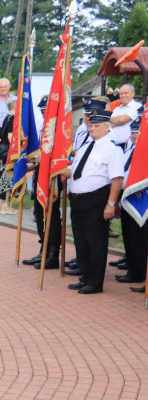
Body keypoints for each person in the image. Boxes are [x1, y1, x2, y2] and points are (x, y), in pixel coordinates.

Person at [59, 109, 125, 294]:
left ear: (107, 128)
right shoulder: (88, 145)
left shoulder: (112, 149)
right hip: (78, 200)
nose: (92, 129)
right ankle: (86, 277)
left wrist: (111, 204)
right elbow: (80, 169)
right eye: (90, 125)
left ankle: (95, 282)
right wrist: (67, 172)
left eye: (96, 126)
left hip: (96, 199)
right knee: (81, 241)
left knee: (95, 242)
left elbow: (117, 178)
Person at [21, 96, 62, 270]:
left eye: (47, 110)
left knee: (50, 214)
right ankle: (43, 250)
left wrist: (42, 161)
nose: (45, 113)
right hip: (40, 174)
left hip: (52, 175)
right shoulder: (43, 129)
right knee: (39, 213)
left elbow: (60, 156)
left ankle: (52, 254)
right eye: (43, 111)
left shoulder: (59, 131)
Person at [118, 117, 146, 289]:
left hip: (143, 198)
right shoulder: (129, 151)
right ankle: (134, 269)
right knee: (129, 236)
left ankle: (142, 273)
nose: (134, 135)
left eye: (138, 132)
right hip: (126, 196)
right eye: (133, 132)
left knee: (142, 239)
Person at [0, 99, 17, 214]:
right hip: (9, 151)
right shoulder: (12, 118)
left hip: (3, 151)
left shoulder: (6, 117)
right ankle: (4, 205)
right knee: (7, 176)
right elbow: (10, 136)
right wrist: (15, 150)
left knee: (3, 176)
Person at [110, 83, 141, 151]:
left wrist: (109, 118)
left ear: (133, 93)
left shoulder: (137, 107)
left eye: (126, 93)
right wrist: (118, 120)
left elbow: (122, 120)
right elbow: (110, 124)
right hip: (113, 146)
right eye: (121, 93)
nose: (123, 95)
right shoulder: (116, 109)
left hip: (127, 147)